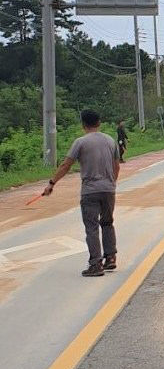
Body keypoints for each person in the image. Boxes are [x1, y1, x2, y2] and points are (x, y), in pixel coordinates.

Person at [44, 109, 120, 276]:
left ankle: (95, 264)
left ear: (83, 124)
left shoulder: (80, 142)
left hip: (90, 191)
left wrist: (52, 183)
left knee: (92, 227)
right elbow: (117, 166)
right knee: (107, 222)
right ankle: (111, 258)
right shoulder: (110, 140)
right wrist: (111, 183)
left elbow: (66, 165)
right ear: (99, 122)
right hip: (108, 189)